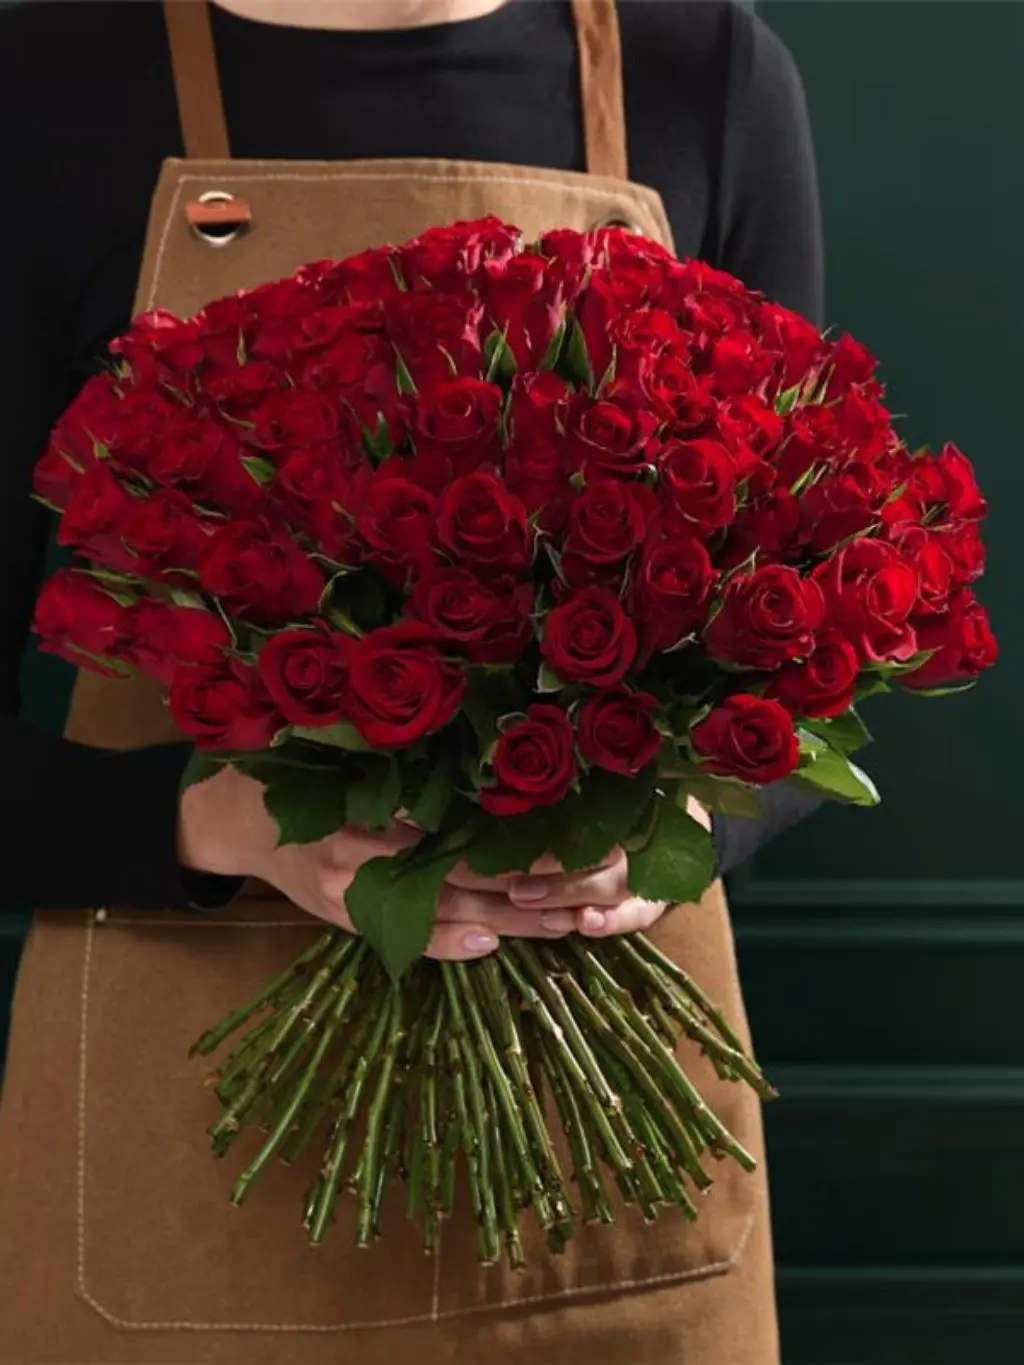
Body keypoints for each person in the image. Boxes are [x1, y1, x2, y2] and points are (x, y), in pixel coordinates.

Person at [0, 2, 824, 1362]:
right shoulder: (48, 84)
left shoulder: (706, 74)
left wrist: (664, 838)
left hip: (604, 1166)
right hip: (189, 1142)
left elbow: (794, 647)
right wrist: (219, 826)